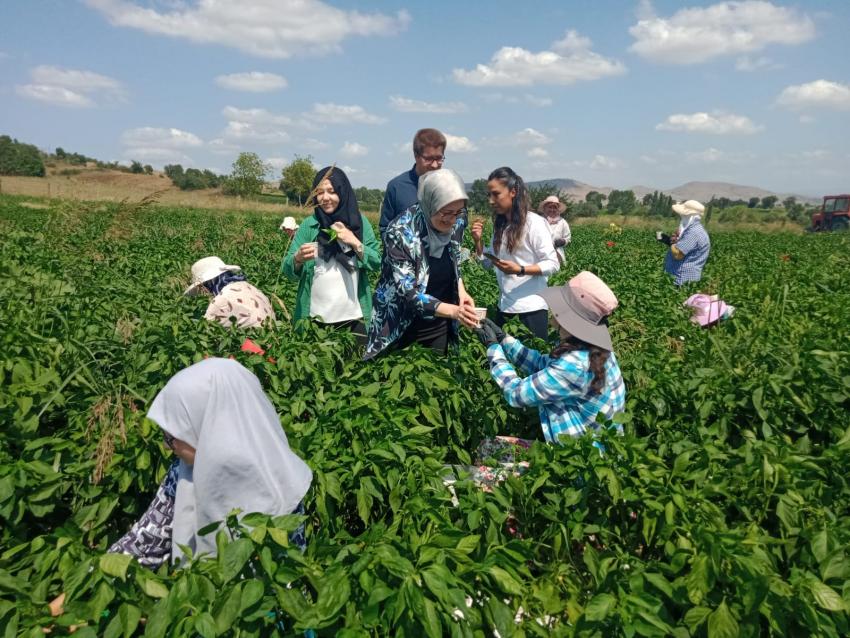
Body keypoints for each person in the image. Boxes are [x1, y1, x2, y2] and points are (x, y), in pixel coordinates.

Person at [49, 358, 312, 616]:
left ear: (209, 428)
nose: (166, 446)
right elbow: (144, 542)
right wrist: (74, 595)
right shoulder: (183, 472)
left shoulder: (280, 482)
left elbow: (282, 590)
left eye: (172, 437)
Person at [474, 271, 626, 446]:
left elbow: (516, 393)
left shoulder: (574, 366)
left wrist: (493, 348)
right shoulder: (596, 351)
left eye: (559, 314)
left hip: (579, 463)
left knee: (488, 448)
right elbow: (541, 364)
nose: (553, 320)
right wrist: (504, 339)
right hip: (600, 452)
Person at [365, 168, 478, 359]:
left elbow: (454, 259)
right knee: (396, 380)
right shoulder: (400, 231)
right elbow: (409, 293)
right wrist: (454, 311)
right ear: (429, 204)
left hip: (438, 321)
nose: (452, 220)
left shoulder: (458, 221)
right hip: (399, 324)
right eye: (446, 212)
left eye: (458, 212)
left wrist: (461, 291)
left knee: (435, 377)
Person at [282, 166, 380, 343]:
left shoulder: (359, 223)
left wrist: (354, 241)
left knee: (356, 367)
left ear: (343, 192)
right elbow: (287, 270)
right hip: (314, 319)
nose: (325, 198)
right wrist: (297, 258)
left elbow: (377, 263)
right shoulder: (309, 225)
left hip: (354, 317)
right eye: (320, 192)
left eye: (331, 191)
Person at [471, 167, 559, 340]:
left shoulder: (534, 223)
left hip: (531, 309)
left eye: (496, 194)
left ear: (513, 192)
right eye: (489, 195)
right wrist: (477, 241)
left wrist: (520, 269)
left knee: (531, 363)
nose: (491, 200)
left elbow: (552, 263)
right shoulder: (501, 225)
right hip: (505, 307)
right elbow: (487, 264)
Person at [379, 128, 447, 238]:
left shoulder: (450, 187)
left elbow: (459, 227)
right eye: (429, 159)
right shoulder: (397, 187)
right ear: (416, 155)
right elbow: (385, 229)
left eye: (439, 158)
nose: (434, 165)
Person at [185, 256, 275, 329]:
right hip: (274, 338)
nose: (204, 292)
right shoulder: (249, 286)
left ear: (208, 284)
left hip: (256, 347)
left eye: (202, 287)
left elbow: (205, 330)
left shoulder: (220, 300)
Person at [657, 199, 711, 286]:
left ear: (689, 216)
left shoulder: (694, 232)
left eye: (683, 216)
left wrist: (673, 242)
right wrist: (673, 240)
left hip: (682, 280)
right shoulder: (692, 230)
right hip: (681, 278)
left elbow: (678, 254)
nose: (681, 218)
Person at [538, 195, 571, 266]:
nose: (552, 210)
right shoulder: (538, 221)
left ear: (558, 209)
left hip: (557, 254)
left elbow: (568, 237)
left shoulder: (562, 222)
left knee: (558, 274)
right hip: (540, 255)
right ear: (544, 208)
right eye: (550, 207)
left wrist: (563, 241)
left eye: (555, 207)